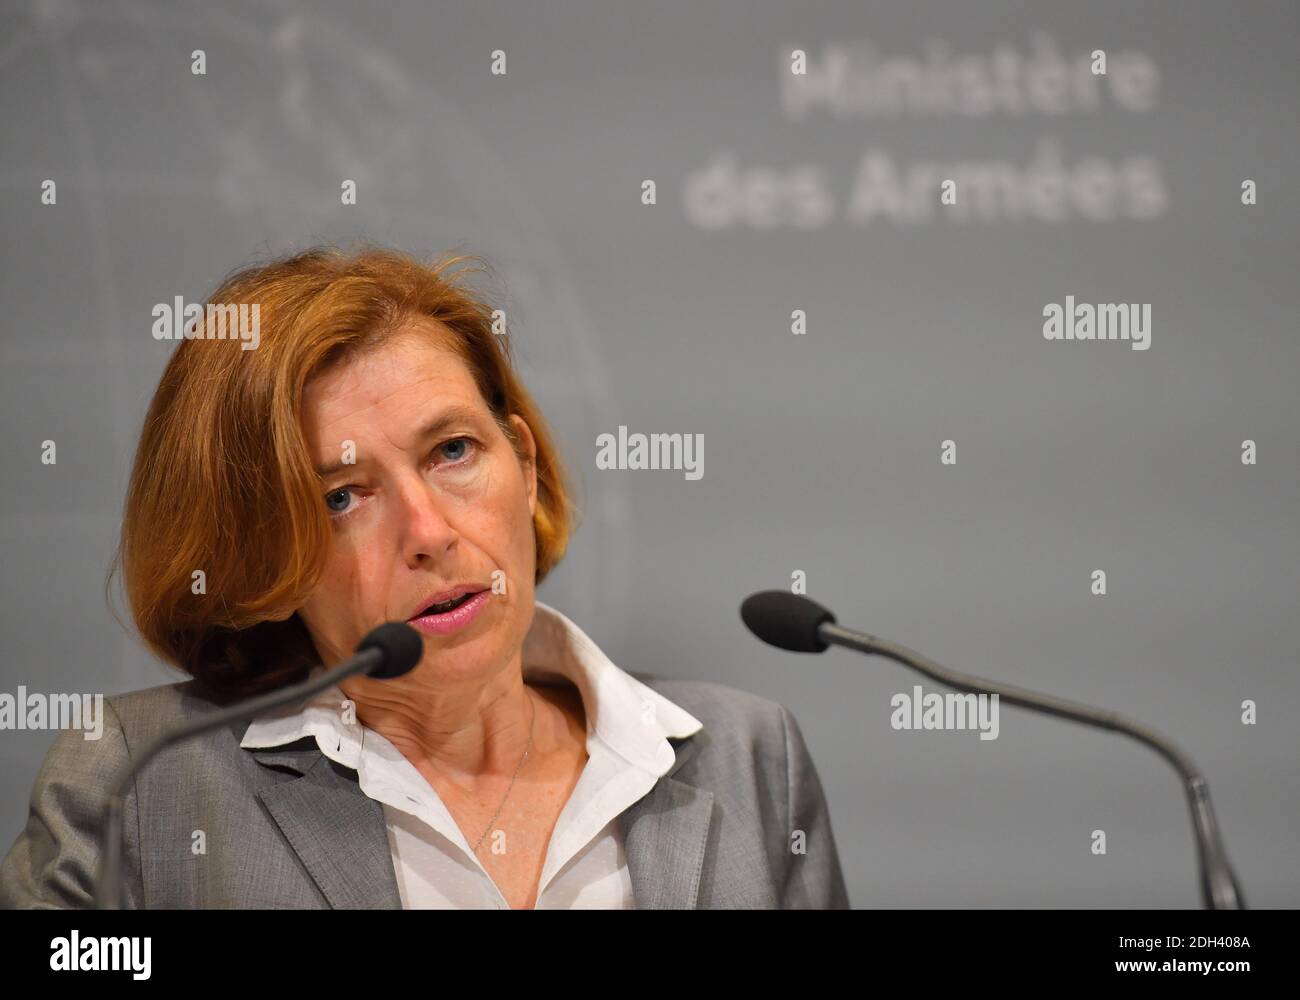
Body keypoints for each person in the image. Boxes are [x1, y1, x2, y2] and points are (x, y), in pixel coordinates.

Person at [0, 245, 850, 909]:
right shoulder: (144, 784)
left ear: (522, 461)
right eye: (342, 496)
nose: (429, 533)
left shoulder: (747, 758)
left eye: (453, 451)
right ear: (260, 555)